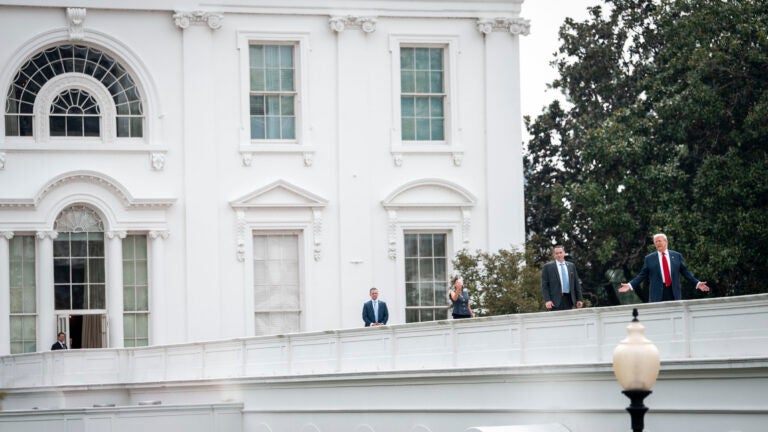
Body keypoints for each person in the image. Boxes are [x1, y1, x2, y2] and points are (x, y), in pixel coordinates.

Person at [619, 233, 709, 302]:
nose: (658, 243)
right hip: (657, 294)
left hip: (673, 292)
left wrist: (697, 283)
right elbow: (642, 275)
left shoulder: (676, 256)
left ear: (666, 242)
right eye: (656, 242)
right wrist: (630, 285)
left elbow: (686, 273)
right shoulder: (649, 259)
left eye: (659, 241)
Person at [541, 245, 584, 310]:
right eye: (557, 253)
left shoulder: (571, 266)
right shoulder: (547, 267)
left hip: (569, 300)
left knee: (569, 319)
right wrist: (547, 300)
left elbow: (576, 284)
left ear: (564, 253)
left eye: (560, 253)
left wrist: (579, 299)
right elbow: (544, 286)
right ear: (554, 255)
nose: (559, 255)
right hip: (554, 302)